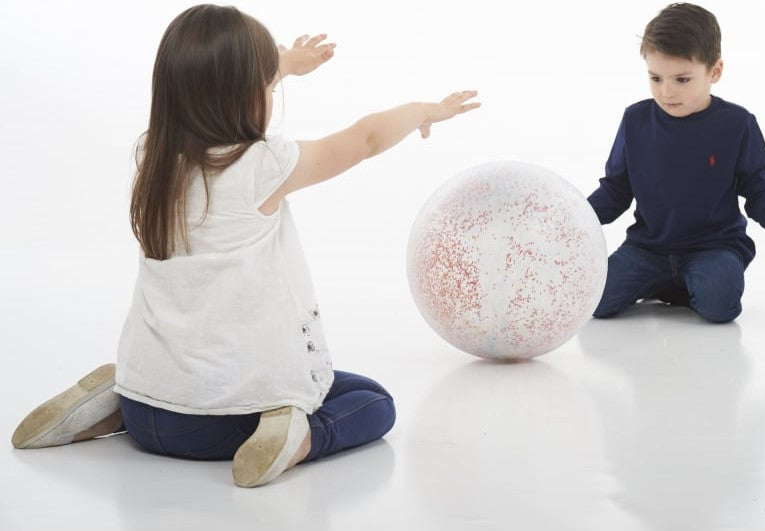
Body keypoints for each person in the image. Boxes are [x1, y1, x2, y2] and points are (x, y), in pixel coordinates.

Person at [10, 4, 479, 488]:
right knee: (372, 401)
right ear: (243, 94)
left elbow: (211, 83)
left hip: (145, 406)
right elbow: (364, 139)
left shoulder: (153, 158)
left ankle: (115, 403)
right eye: (269, 87)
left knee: (172, 393)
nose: (273, 93)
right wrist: (424, 111)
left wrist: (283, 65)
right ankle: (298, 439)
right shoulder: (263, 166)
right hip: (220, 426)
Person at [587, 2, 765, 323]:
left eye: (682, 79)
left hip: (713, 247)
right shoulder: (635, 120)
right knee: (595, 302)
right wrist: (577, 216)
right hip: (648, 249)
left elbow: (757, 187)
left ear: (714, 71)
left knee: (719, 306)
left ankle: (687, 284)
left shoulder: (737, 124)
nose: (666, 92)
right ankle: (667, 283)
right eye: (656, 78)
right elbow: (615, 189)